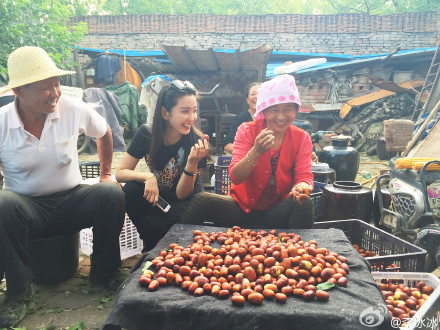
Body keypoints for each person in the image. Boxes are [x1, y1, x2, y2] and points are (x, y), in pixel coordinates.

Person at [0, 46, 126, 327]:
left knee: (111, 192)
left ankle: (104, 272)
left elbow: (104, 131)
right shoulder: (1, 123)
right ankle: (19, 293)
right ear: (18, 91)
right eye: (45, 88)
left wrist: (106, 173)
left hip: (72, 200)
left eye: (56, 84)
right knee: (3, 204)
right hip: (26, 208)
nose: (55, 92)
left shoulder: (71, 108)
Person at [181, 74, 314, 229]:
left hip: (276, 211)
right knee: (202, 201)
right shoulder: (247, 130)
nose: (281, 117)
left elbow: (304, 176)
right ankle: (177, 247)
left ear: (296, 110)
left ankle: (299, 252)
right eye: (274, 110)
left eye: (288, 109)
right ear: (264, 111)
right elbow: (235, 177)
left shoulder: (301, 138)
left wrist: (302, 187)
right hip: (241, 208)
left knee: (304, 203)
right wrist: (256, 151)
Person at [115, 80, 210, 252]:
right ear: (165, 113)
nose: (192, 118)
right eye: (185, 111)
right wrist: (147, 176)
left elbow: (182, 194)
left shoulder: (197, 141)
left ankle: (153, 247)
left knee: (156, 226)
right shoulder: (146, 134)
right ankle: (155, 246)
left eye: (194, 111)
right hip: (160, 198)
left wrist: (192, 163)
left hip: (188, 202)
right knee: (130, 190)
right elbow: (121, 173)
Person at [223, 82, 260, 154]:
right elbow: (227, 145)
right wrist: (249, 155)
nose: (256, 97)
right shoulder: (241, 118)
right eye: (252, 94)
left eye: (259, 94)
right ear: (247, 100)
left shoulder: (270, 118)